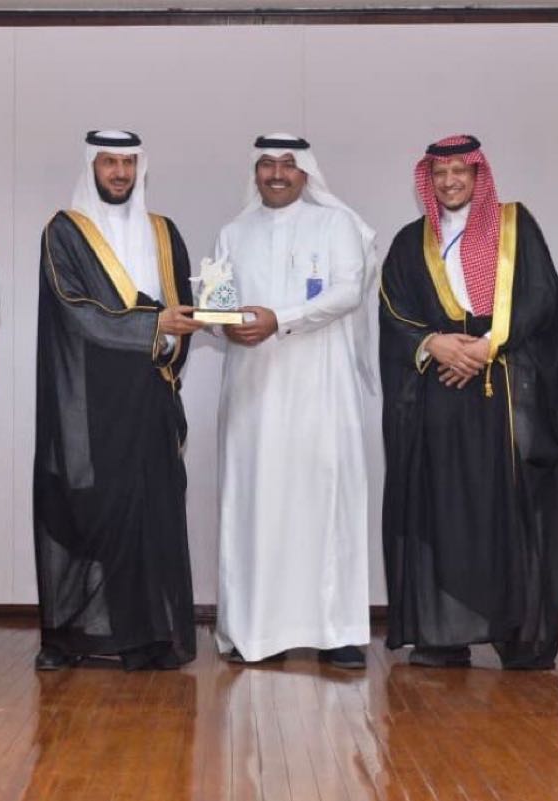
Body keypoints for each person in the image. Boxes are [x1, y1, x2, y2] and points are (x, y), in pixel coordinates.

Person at [378, 134, 558, 669]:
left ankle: (520, 637)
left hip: (508, 394)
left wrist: (487, 345)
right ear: (428, 180)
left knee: (512, 512)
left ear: (479, 175)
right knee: (441, 511)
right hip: (439, 398)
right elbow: (393, 311)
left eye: (460, 171)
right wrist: (433, 344)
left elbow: (542, 298)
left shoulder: (516, 228)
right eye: (440, 173)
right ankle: (442, 635)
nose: (450, 181)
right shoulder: (409, 243)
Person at [33, 130, 202, 671]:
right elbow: (74, 309)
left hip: (149, 397)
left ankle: (150, 636)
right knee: (86, 511)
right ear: (92, 166)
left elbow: (184, 309)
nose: (120, 173)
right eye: (109, 162)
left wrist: (172, 335)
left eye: (128, 163)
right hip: (89, 400)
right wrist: (153, 325)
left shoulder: (164, 232)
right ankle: (70, 637)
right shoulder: (64, 232)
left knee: (151, 515)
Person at [213, 133, 377, 669]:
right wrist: (223, 324)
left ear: (306, 172)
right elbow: (218, 301)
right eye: (267, 164)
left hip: (321, 387)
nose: (277, 173)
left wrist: (279, 319)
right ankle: (255, 631)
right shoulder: (233, 233)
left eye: (288, 164)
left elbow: (348, 290)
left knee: (324, 499)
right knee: (256, 501)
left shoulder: (337, 225)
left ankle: (337, 632)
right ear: (255, 172)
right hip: (254, 390)